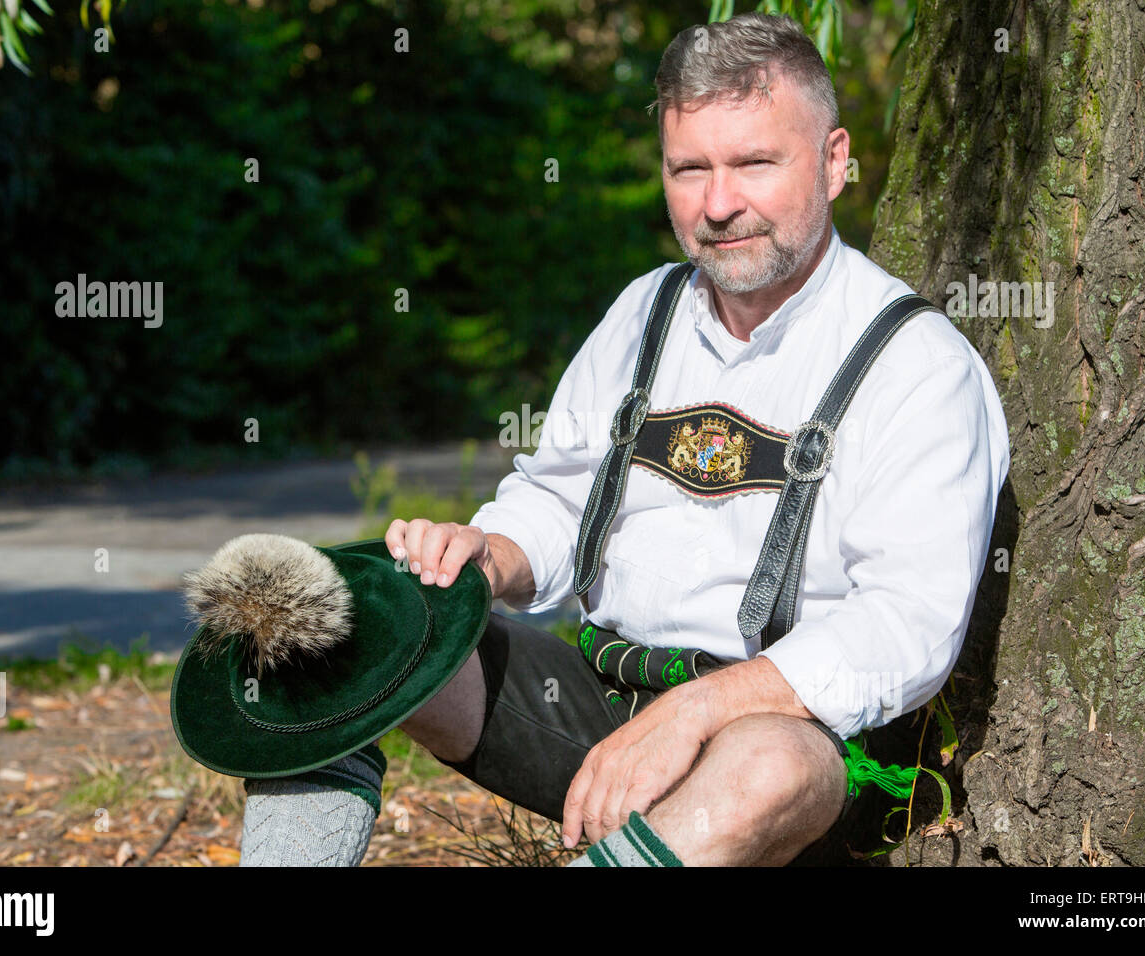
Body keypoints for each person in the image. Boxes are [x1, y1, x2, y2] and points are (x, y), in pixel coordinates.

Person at [238, 11, 1010, 868]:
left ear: (834, 161)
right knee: (337, 626)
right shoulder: (647, 310)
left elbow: (906, 627)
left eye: (755, 164)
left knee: (767, 766)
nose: (719, 205)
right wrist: (488, 555)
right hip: (605, 710)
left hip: (799, 752)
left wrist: (699, 711)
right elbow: (558, 499)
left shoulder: (917, 364)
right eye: (690, 169)